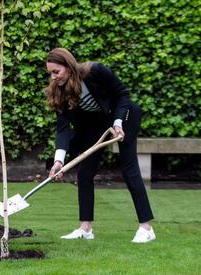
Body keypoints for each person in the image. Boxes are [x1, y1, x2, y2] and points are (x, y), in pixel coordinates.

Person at [46, 48, 155, 243]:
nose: (53, 77)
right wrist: (58, 161)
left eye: (56, 72)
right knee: (85, 173)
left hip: (124, 117)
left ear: (69, 66)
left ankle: (146, 228)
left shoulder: (95, 71)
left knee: (129, 168)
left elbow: (123, 95)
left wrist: (118, 123)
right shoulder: (60, 90)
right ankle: (85, 228)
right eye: (50, 73)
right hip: (97, 124)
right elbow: (63, 128)